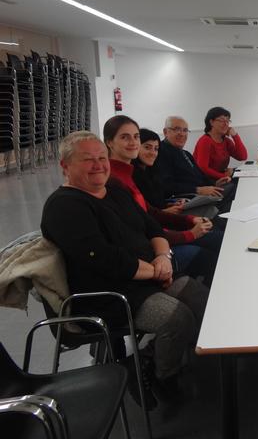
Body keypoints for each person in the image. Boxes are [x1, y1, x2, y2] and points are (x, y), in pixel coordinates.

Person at [41, 131, 208, 404]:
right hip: (110, 292)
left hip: (148, 274)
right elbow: (106, 260)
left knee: (201, 301)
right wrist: (157, 271)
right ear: (65, 166)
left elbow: (152, 228)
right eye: (88, 159)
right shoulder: (64, 206)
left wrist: (163, 258)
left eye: (102, 158)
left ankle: (147, 358)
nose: (98, 165)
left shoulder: (115, 189)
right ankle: (162, 376)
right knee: (177, 318)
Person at [103, 115, 223, 285]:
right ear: (109, 142)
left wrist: (190, 220)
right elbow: (142, 230)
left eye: (136, 137)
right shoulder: (113, 181)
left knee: (218, 239)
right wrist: (189, 234)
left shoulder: (127, 173)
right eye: (125, 137)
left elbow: (149, 212)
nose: (133, 142)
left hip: (160, 240)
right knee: (213, 253)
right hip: (151, 252)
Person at [153, 115, 232, 213]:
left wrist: (214, 183)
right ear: (165, 132)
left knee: (232, 186)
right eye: (177, 129)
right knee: (228, 197)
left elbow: (200, 175)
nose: (182, 134)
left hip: (200, 193)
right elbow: (167, 185)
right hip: (186, 198)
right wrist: (197, 190)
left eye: (185, 130)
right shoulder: (160, 152)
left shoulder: (185, 153)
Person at [193, 106, 248, 181]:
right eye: (222, 120)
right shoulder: (205, 140)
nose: (226, 124)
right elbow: (203, 168)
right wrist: (224, 176)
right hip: (206, 181)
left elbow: (242, 156)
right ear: (211, 122)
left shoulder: (226, 141)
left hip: (221, 177)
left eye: (228, 121)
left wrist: (235, 135)